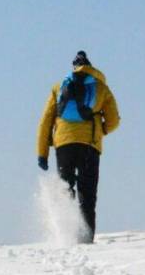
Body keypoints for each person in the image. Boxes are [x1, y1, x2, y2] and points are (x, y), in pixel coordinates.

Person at [36, 50, 121, 243]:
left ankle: (65, 235)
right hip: (90, 145)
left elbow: (45, 121)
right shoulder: (100, 88)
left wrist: (42, 153)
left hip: (63, 145)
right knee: (87, 195)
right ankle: (85, 240)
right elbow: (114, 120)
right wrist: (102, 130)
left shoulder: (58, 88)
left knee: (65, 189)